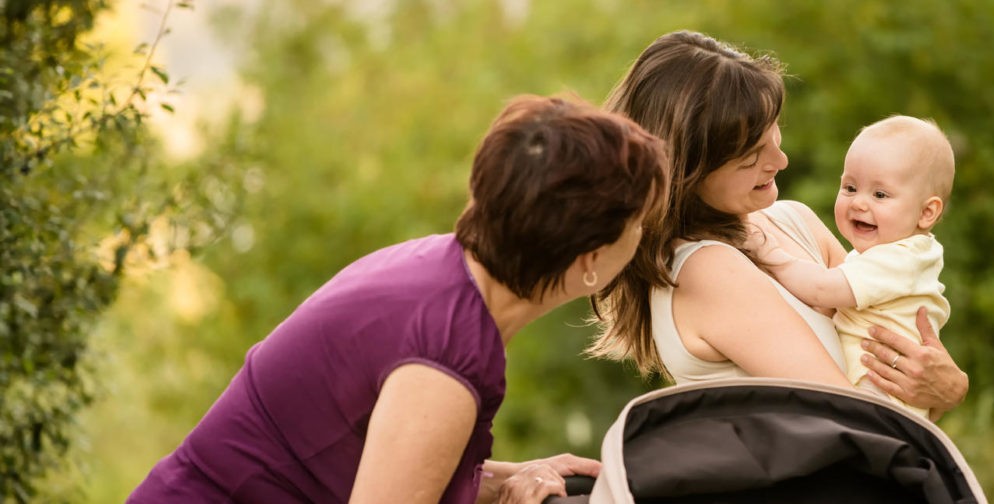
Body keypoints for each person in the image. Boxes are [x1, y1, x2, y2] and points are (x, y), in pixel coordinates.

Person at [129, 95, 671, 504]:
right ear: (589, 262)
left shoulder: (439, 268)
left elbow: (381, 463)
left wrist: (510, 477)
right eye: (639, 224)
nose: (645, 234)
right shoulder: (443, 361)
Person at [589, 30, 969, 420]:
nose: (780, 160)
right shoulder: (706, 269)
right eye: (752, 155)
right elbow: (858, 420)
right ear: (690, 171)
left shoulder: (795, 220)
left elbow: (898, 368)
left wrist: (949, 387)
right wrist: (947, 392)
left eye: (773, 131)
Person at [750, 115, 956, 418]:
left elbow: (822, 289)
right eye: (849, 187)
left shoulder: (901, 259)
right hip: (878, 395)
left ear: (927, 212)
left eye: (880, 194)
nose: (859, 203)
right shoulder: (896, 254)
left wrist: (770, 255)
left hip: (880, 395)